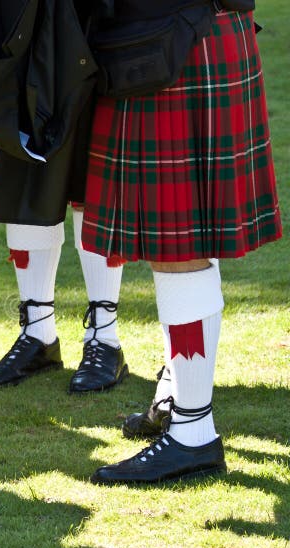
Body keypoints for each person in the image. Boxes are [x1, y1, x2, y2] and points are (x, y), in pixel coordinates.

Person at [83, 3, 281, 483]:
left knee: (179, 249)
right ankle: (182, 394)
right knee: (191, 238)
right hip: (187, 37)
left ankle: (193, 432)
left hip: (174, 42)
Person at [0, 1, 128, 394]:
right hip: (11, 15)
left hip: (93, 18)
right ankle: (38, 333)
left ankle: (104, 338)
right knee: (23, 168)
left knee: (92, 178)